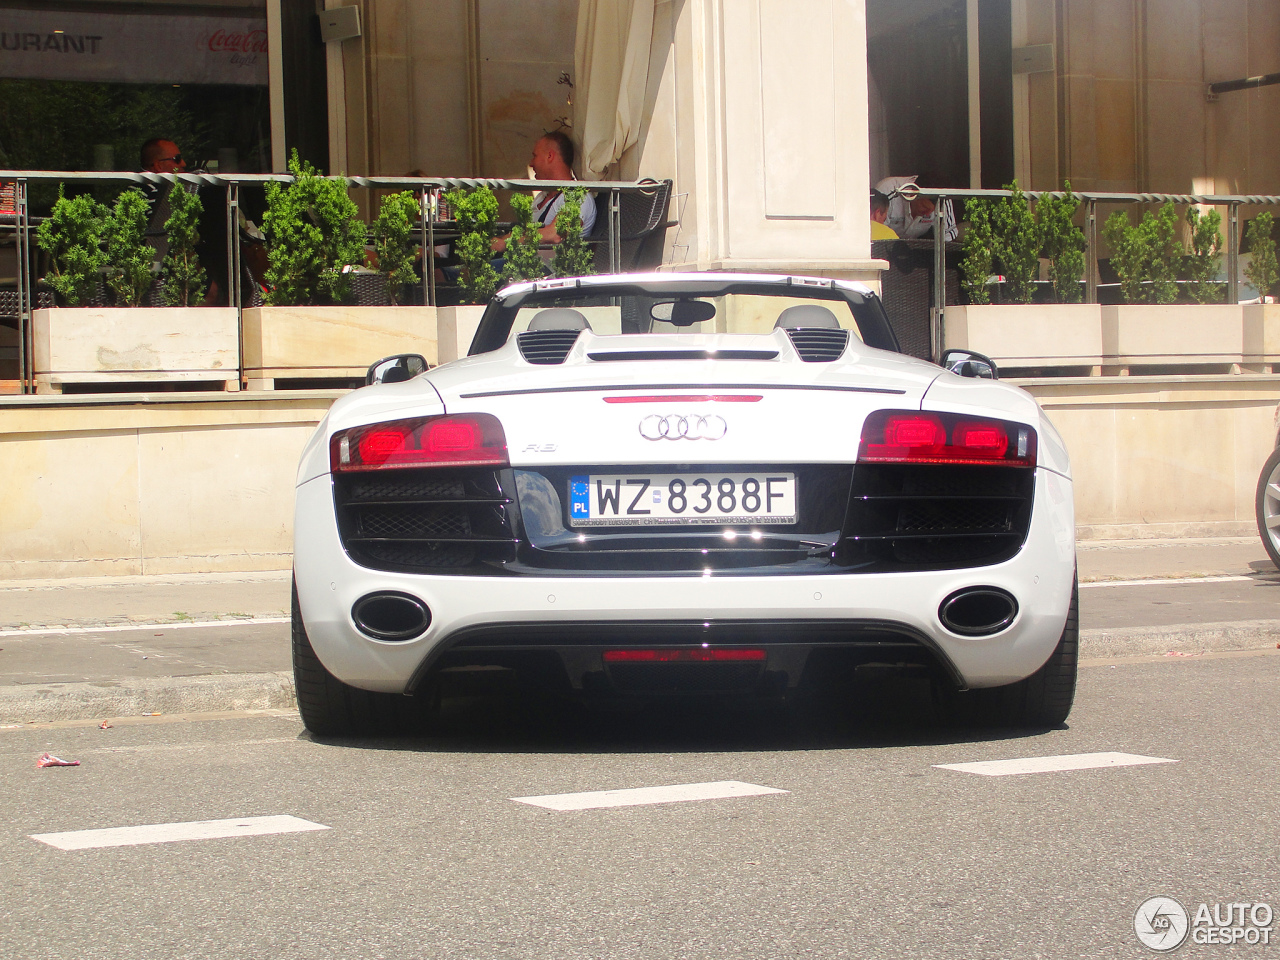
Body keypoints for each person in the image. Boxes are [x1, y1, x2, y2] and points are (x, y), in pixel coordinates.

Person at [492, 130, 596, 254]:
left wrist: (506, 243)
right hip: (527, 265)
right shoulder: (541, 197)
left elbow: (556, 234)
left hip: (552, 271)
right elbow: (526, 234)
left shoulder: (577, 196)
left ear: (550, 156)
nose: (531, 163)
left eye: (534, 155)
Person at [875, 175, 958, 241]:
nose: (927, 213)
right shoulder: (888, 191)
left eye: (933, 211)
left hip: (914, 251)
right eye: (924, 206)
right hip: (884, 249)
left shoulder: (943, 198)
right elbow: (875, 234)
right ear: (912, 194)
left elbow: (947, 239)